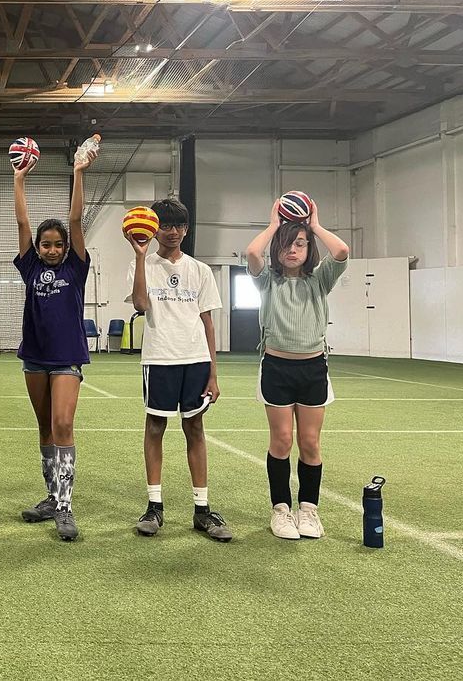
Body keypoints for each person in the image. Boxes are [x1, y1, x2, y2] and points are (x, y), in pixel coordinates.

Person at [126, 198, 233, 542]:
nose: (172, 232)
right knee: (155, 426)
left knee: (195, 428)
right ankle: (154, 506)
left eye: (179, 226)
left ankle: (202, 510)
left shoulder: (200, 271)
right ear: (154, 228)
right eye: (166, 225)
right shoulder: (141, 265)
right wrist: (141, 257)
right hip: (159, 358)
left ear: (186, 229)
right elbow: (141, 306)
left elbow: (208, 324)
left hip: (195, 359)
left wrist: (213, 374)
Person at [245, 198, 349, 540]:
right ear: (278, 248)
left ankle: (309, 510)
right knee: (282, 440)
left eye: (300, 244)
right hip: (276, 368)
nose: (293, 250)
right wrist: (275, 227)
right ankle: (281, 510)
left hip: (313, 369)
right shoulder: (268, 282)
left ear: (309, 249)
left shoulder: (320, 280)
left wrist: (315, 226)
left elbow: (342, 251)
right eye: (287, 245)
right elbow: (251, 254)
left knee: (309, 442)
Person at [13, 148, 97, 542]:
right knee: (45, 426)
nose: (50, 249)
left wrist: (78, 172)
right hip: (34, 358)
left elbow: (76, 219)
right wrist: (18, 180)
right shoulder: (29, 266)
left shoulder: (75, 268)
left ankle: (65, 506)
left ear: (66, 248)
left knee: (63, 424)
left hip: (66, 358)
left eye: (56, 244)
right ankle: (51, 496)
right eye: (45, 244)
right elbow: (22, 220)